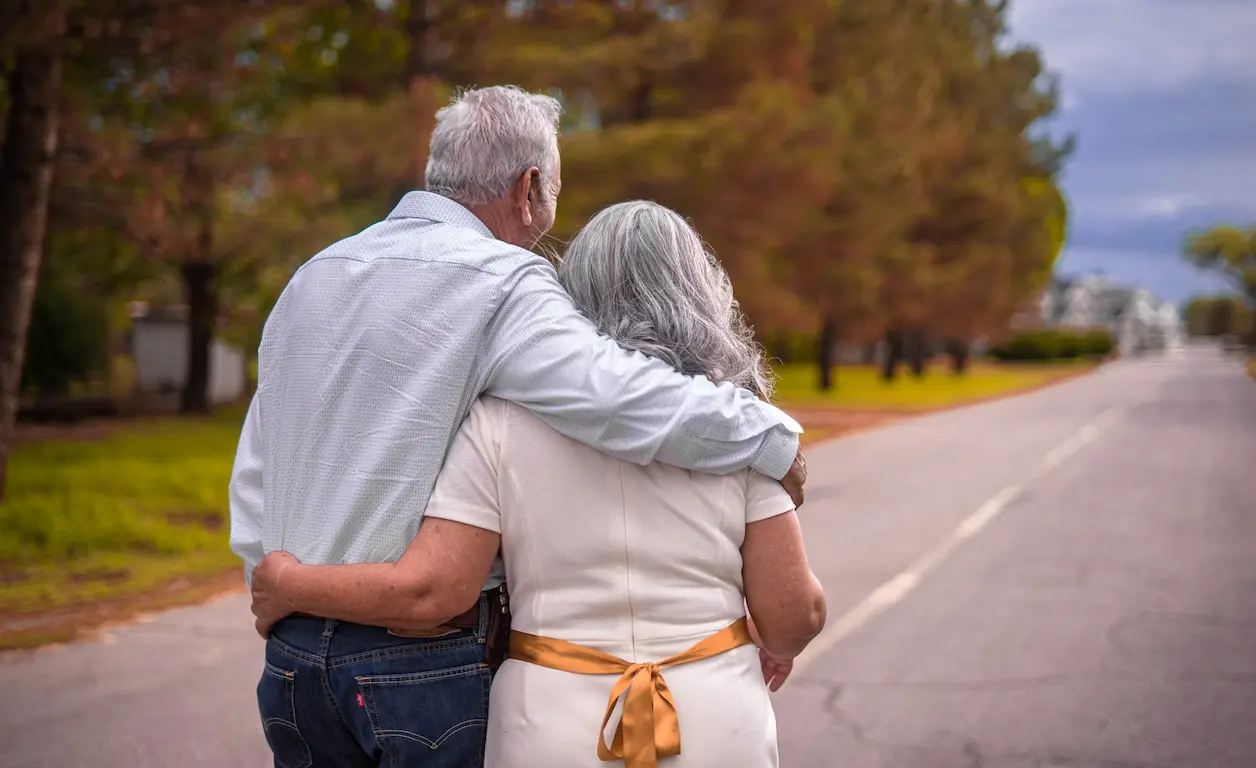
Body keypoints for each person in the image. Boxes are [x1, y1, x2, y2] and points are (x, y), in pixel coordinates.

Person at [229, 86, 808, 768]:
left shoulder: (314, 277)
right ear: (529, 187)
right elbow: (622, 400)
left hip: (294, 663)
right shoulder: (507, 283)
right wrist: (772, 438)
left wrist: (274, 586)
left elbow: (260, 463)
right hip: (420, 667)